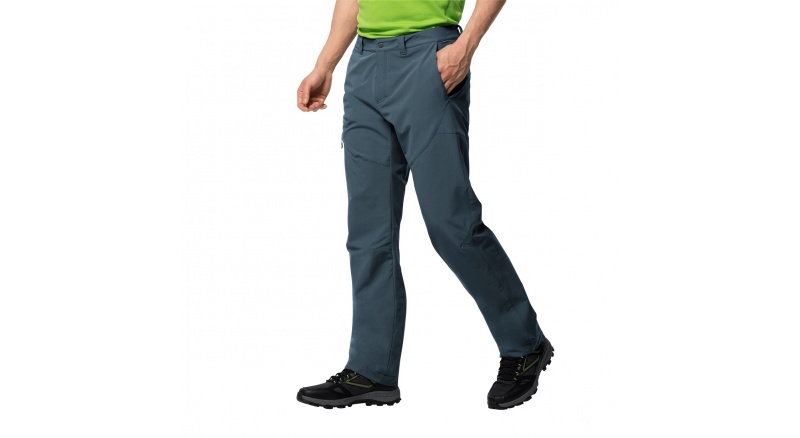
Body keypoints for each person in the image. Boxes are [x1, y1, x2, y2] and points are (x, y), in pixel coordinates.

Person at [295, 0, 553, 410]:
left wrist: (466, 46)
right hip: (364, 66)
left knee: (452, 226)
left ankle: (525, 344)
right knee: (368, 234)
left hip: (429, 58)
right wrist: (325, 64)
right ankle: (371, 370)